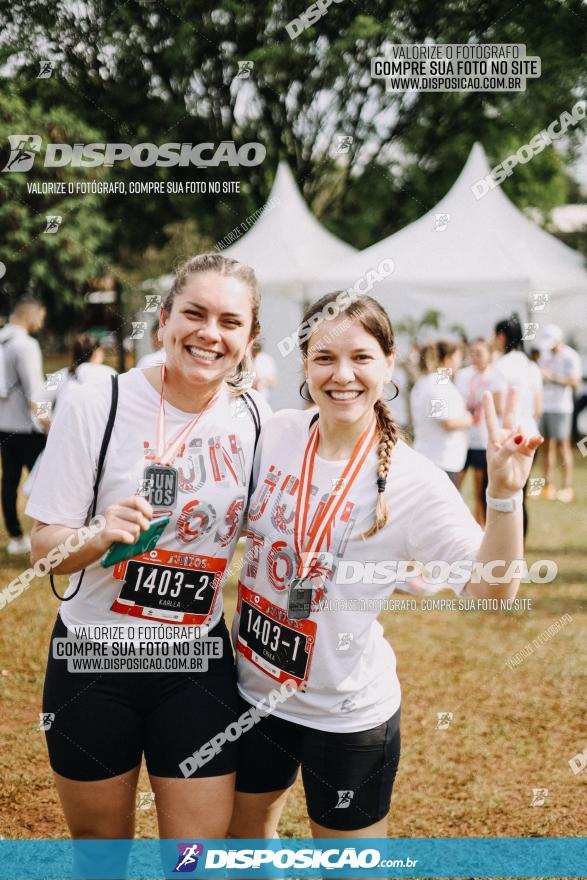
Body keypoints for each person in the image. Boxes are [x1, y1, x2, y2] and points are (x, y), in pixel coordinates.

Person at [229, 293, 542, 841]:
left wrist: (504, 496)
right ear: (304, 363)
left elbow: (494, 589)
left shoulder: (413, 480)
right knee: (246, 837)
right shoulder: (275, 434)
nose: (342, 374)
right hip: (252, 694)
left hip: (347, 715)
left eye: (361, 357)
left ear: (389, 363)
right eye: (324, 357)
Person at [27, 254, 270, 845]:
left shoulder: (256, 420)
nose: (209, 333)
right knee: (100, 854)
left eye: (229, 321)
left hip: (196, 663)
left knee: (195, 857)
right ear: (163, 321)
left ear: (249, 339)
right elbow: (43, 549)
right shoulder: (97, 403)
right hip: (94, 660)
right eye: (194, 313)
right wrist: (99, 533)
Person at [0, 296, 47, 554]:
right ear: (31, 314)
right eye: (41, 317)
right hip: (28, 428)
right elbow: (35, 393)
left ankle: (16, 537)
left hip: (4, 425)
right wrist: (49, 424)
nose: (41, 323)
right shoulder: (26, 345)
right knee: (46, 481)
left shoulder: (2, 339)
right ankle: (50, 535)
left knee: (9, 481)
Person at [492, 314, 542, 535]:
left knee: (503, 496)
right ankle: (519, 546)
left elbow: (499, 407)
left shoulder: (500, 366)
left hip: (508, 438)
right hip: (531, 435)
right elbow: (538, 408)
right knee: (521, 496)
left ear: (502, 337)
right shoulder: (532, 367)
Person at [455, 338, 505, 526]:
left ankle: (481, 524)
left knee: (480, 487)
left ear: (490, 355)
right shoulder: (463, 375)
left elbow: (499, 408)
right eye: (472, 353)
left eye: (479, 353)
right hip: (462, 437)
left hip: (482, 439)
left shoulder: (496, 376)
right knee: (455, 483)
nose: (474, 357)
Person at [410, 340, 472, 484]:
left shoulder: (428, 383)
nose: (460, 363)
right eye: (458, 358)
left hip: (437, 457)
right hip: (440, 460)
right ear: (447, 359)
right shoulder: (436, 386)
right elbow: (446, 422)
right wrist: (469, 419)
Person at [538, 324, 581, 502]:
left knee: (563, 446)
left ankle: (567, 487)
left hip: (561, 407)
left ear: (559, 340)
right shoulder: (544, 355)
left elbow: (575, 382)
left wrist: (552, 378)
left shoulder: (570, 356)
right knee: (545, 446)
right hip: (545, 406)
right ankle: (548, 485)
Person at [34, 333, 117, 415]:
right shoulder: (109, 374)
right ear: (97, 352)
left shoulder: (61, 375)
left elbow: (38, 398)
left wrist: (48, 424)